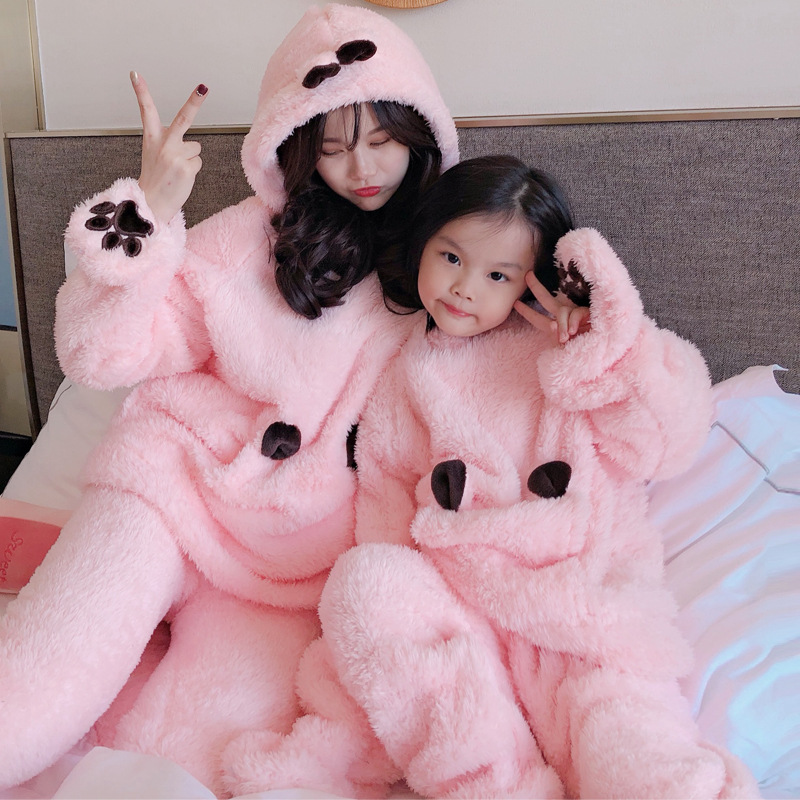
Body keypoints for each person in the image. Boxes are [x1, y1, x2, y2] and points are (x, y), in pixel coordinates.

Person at [0, 4, 457, 795]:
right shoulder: (250, 236)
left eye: (383, 139)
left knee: (192, 759)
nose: (362, 167)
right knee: (39, 686)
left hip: (291, 563)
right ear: (298, 146)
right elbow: (100, 356)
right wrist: (147, 211)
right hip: (168, 489)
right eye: (333, 146)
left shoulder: (454, 261)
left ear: (421, 134)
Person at [224, 156, 759, 799]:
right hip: (464, 616)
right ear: (424, 242)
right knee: (365, 580)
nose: (465, 288)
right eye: (451, 257)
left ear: (533, 281)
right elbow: (388, 517)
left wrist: (607, 351)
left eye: (498, 274)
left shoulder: (571, 355)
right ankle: (492, 780)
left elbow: (667, 442)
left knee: (633, 751)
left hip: (577, 611)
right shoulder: (403, 375)